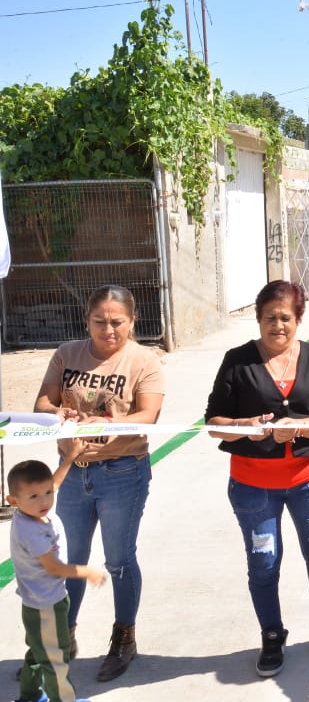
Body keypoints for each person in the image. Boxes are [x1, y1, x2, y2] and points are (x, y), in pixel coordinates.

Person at [205, 280, 309, 677]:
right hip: (254, 487)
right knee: (264, 561)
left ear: (298, 319)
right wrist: (244, 426)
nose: (278, 326)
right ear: (258, 319)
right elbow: (213, 423)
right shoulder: (237, 361)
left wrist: (300, 428)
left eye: (286, 317)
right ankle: (271, 635)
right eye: (270, 318)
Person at [34, 284, 165, 682]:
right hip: (72, 472)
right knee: (70, 555)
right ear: (87, 320)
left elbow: (150, 414)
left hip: (122, 472)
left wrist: (108, 423)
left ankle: (124, 636)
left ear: (132, 321)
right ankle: (64, 635)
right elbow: (42, 402)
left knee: (119, 560)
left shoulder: (144, 360)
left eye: (117, 322)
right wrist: (61, 413)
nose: (108, 330)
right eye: (99, 322)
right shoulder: (67, 354)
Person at [8, 456, 106, 702]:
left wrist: (71, 458)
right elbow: (53, 567)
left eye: (48, 493)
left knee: (39, 652)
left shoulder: (29, 514)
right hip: (46, 606)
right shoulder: (31, 531)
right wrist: (87, 572)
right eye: (34, 496)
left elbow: (54, 482)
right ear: (13, 501)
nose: (44, 501)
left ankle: (29, 695)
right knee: (56, 659)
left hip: (39, 602)